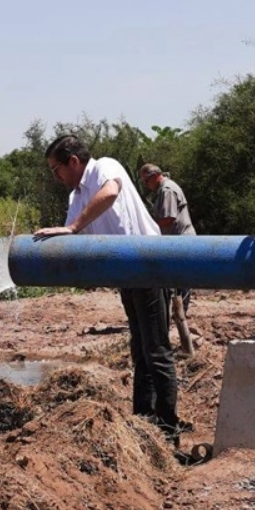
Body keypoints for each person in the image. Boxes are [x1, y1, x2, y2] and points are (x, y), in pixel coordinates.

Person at [35, 135, 181, 445]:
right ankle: (144, 422)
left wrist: (74, 229)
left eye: (55, 169)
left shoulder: (104, 167)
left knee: (156, 351)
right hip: (126, 274)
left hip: (147, 264)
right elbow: (71, 237)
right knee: (140, 349)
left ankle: (169, 432)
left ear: (73, 161)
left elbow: (111, 192)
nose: (56, 176)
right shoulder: (77, 198)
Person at [139, 163, 196, 314]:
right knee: (175, 279)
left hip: (180, 240)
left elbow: (168, 218)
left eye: (146, 181)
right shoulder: (164, 189)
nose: (146, 185)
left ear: (155, 176)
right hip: (175, 241)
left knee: (181, 280)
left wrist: (149, 226)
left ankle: (180, 314)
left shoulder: (167, 190)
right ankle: (177, 313)